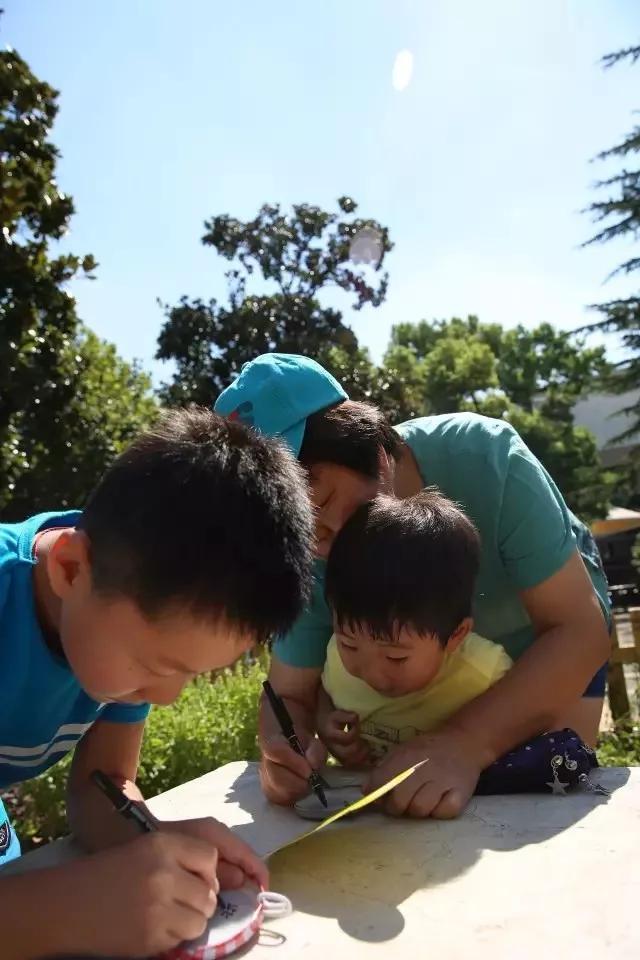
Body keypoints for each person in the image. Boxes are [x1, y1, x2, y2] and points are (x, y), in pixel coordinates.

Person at [214, 353, 612, 820]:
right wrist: (285, 750)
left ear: (376, 451)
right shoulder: (310, 548)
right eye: (299, 529)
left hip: (541, 644)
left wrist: (466, 741)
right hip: (425, 680)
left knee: (548, 798)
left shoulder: (488, 459)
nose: (321, 546)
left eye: (322, 502)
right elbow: (288, 696)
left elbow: (579, 634)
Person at [0, 407, 314, 960]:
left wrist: (150, 840)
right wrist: (67, 909)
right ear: (70, 569)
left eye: (191, 674)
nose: (166, 696)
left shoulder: (121, 611)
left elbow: (101, 785)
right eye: (158, 665)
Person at [318, 492, 513, 767]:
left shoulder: (487, 674)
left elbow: (520, 726)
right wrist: (325, 723)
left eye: (396, 657)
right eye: (349, 645)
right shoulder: (335, 658)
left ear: (456, 635)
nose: (375, 676)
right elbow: (322, 692)